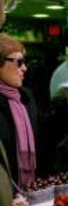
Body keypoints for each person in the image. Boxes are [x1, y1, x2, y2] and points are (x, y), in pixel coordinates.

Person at [0, 33, 38, 187]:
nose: (24, 68)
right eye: (19, 62)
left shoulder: (25, 96)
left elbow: (46, 136)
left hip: (27, 192)